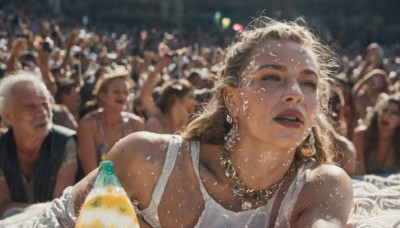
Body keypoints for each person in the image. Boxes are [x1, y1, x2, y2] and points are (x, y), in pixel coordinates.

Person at [0, 17, 353, 227]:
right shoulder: (147, 160)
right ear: (231, 97)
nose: (294, 93)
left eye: (309, 83)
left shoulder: (321, 186)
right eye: (272, 77)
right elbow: (57, 221)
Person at [0, 71, 77, 217]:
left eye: (45, 103)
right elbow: (2, 207)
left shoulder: (65, 143)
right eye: (31, 107)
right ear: (8, 116)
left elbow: (61, 208)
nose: (42, 112)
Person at [77, 70, 145, 177]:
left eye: (125, 92)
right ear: (102, 96)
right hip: (95, 187)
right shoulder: (89, 124)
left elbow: (141, 167)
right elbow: (90, 174)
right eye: (116, 92)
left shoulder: (136, 124)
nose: (122, 96)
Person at [139, 56, 197, 134]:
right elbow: (144, 97)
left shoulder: (190, 122)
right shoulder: (159, 118)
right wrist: (158, 68)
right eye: (190, 97)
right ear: (175, 98)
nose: (194, 101)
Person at [352, 92, 400, 175]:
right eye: (384, 110)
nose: (386, 115)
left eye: (394, 113)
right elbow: (359, 173)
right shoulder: (361, 135)